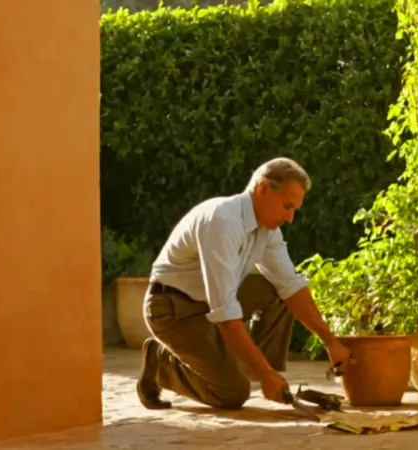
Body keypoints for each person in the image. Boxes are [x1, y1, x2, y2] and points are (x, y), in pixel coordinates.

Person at [137, 157, 353, 410]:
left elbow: (291, 287)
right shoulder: (222, 221)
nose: (291, 217)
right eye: (287, 206)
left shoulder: (267, 230)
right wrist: (263, 373)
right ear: (262, 188)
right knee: (232, 394)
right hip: (173, 310)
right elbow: (224, 312)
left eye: (294, 209)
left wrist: (332, 342)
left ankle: (253, 370)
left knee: (279, 292)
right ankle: (161, 360)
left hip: (207, 305)